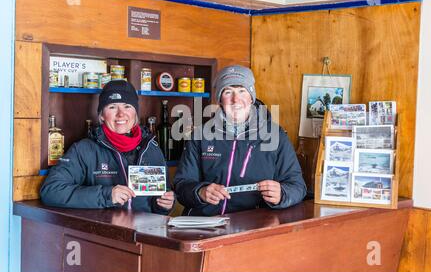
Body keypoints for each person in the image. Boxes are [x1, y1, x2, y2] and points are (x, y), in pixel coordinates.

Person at [173, 65, 307, 216]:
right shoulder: (200, 135)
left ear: (251, 97)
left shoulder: (276, 135)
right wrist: (200, 192)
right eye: (228, 92)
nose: (235, 99)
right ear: (220, 100)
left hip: (255, 227)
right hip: (206, 226)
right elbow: (181, 184)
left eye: (242, 91)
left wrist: (282, 194)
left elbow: (298, 187)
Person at [40, 80, 175, 213]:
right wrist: (107, 195)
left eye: (127, 106)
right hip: (102, 232)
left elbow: (161, 201)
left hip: (146, 232)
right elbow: (51, 191)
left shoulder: (151, 147)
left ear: (135, 113)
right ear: (102, 115)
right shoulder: (84, 150)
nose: (121, 113)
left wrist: (165, 204)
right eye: (112, 107)